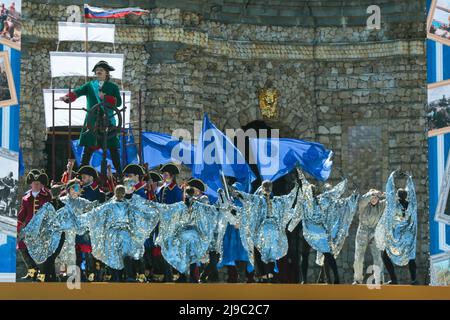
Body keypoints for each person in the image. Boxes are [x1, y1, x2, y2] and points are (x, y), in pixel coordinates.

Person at [21, 179, 96, 282]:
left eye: (78, 188)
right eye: (74, 188)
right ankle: (57, 277)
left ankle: (68, 279)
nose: (76, 191)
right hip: (58, 233)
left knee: (70, 254)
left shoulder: (82, 202)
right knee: (57, 255)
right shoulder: (63, 201)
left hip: (71, 233)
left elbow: (91, 209)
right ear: (69, 189)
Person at [59, 60, 122, 174]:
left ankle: (120, 174)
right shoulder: (90, 85)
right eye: (97, 70)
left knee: (113, 149)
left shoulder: (113, 87)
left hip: (108, 122)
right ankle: (81, 176)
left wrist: (106, 97)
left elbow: (118, 103)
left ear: (106, 73)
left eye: (101, 70)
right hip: (93, 122)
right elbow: (78, 92)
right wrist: (67, 97)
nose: (98, 72)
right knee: (87, 149)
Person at [236, 175, 302, 283]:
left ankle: (263, 274)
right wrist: (297, 187)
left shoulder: (259, 200)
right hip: (274, 231)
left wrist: (238, 194)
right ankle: (269, 274)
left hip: (263, 230)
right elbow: (290, 197)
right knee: (271, 254)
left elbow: (247, 198)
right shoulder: (278, 200)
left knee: (258, 249)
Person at [300, 176, 358, 284]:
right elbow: (335, 193)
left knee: (307, 254)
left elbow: (336, 195)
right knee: (325, 254)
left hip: (312, 232)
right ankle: (334, 278)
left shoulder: (313, 201)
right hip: (317, 232)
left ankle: (306, 279)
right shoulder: (320, 200)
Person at [375, 170, 418, 285]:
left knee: (384, 254)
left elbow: (389, 191)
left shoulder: (393, 205)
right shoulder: (411, 205)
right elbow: (413, 193)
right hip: (407, 236)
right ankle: (414, 279)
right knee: (411, 257)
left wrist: (391, 176)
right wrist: (409, 179)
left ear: (397, 196)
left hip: (396, 236)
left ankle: (394, 279)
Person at [17, 169, 52, 281]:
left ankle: (42, 274)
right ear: (31, 184)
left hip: (43, 229)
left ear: (41, 184)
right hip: (30, 229)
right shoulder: (26, 198)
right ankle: (32, 270)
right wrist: (17, 226)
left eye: (38, 183)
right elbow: (22, 214)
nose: (36, 185)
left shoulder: (47, 196)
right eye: (34, 183)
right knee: (22, 246)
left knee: (41, 251)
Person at [76, 165, 106, 281]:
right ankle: (79, 275)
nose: (82, 179)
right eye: (82, 177)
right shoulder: (79, 189)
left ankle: (92, 273)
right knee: (78, 250)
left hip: (92, 227)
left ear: (91, 178)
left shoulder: (99, 192)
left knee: (88, 250)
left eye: (84, 176)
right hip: (79, 225)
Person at [353, 189, 386, 285]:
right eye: (372, 197)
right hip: (363, 231)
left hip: (374, 232)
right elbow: (363, 199)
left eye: (375, 197)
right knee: (359, 256)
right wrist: (372, 193)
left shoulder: (381, 205)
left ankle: (379, 280)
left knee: (377, 257)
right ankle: (357, 279)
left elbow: (392, 199)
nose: (373, 199)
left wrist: (383, 194)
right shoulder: (363, 205)